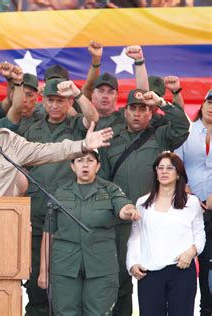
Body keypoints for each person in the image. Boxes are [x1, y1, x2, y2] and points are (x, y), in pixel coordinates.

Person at [100, 88, 190, 316]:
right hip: (121, 221)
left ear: (151, 113)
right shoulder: (112, 141)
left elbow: (182, 126)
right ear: (125, 111)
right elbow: (104, 182)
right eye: (133, 108)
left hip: (153, 220)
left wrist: (161, 101)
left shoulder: (159, 136)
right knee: (120, 280)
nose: (138, 113)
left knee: (154, 277)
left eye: (143, 109)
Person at [22, 77, 99, 316]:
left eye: (60, 101)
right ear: (43, 101)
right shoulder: (32, 128)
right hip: (36, 211)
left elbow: (93, 118)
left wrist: (77, 94)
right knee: (36, 279)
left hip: (69, 212)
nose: (55, 105)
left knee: (68, 278)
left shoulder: (76, 125)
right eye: (50, 100)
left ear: (67, 102)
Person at [37, 150, 140, 315]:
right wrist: (44, 271)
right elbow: (48, 232)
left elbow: (122, 206)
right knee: (65, 312)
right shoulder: (60, 193)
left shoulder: (110, 189)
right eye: (80, 160)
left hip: (100, 265)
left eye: (90, 161)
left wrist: (129, 210)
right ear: (72, 166)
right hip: (65, 264)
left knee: (98, 312)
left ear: (98, 166)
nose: (85, 164)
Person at [127, 151, 205, 315]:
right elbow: (135, 237)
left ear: (178, 174)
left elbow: (199, 233)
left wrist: (192, 251)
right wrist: (132, 264)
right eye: (160, 168)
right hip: (149, 272)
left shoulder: (191, 202)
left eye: (170, 168)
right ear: (155, 172)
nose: (164, 171)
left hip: (181, 270)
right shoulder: (142, 202)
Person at [175, 89, 212, 316]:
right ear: (202, 104)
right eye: (209, 101)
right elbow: (176, 165)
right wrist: (188, 193)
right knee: (193, 262)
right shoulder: (187, 132)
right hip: (190, 208)